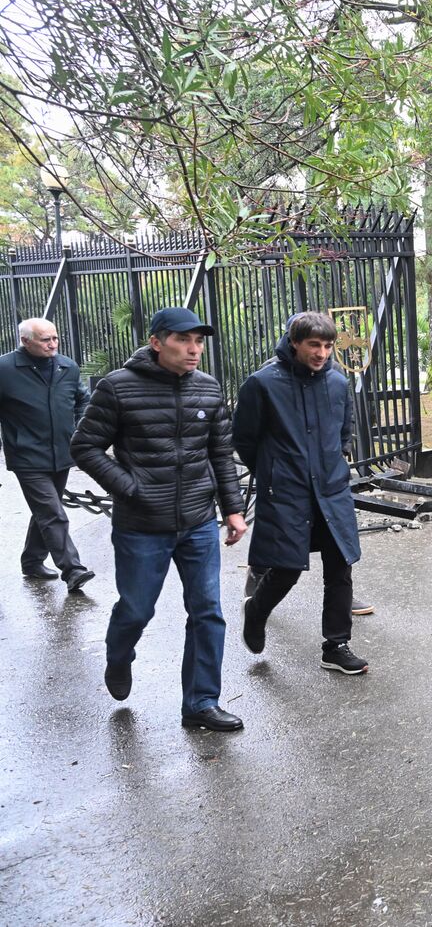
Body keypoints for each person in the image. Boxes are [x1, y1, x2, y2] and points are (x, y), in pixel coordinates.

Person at [71, 307, 248, 731]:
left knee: (208, 611)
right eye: (184, 340)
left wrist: (234, 510)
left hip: (199, 522)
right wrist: (131, 487)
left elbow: (221, 456)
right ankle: (119, 655)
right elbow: (85, 446)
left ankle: (201, 703)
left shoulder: (208, 390)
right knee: (136, 609)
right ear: (156, 342)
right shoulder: (117, 388)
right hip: (141, 526)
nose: (194, 349)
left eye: (199, 341)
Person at [233, 311, 368, 675]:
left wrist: (336, 459)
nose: (322, 353)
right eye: (314, 345)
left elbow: (345, 428)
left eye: (327, 345)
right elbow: (244, 439)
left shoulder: (337, 382)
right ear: (295, 342)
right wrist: (273, 469)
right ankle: (256, 611)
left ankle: (336, 646)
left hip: (331, 488)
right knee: (287, 568)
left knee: (340, 567)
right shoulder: (262, 384)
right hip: (287, 490)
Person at [0, 318, 95, 591]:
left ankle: (32, 561)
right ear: (25, 341)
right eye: (45, 340)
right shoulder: (5, 369)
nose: (52, 344)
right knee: (53, 512)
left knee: (45, 510)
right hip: (27, 455)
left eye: (55, 338)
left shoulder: (67, 366)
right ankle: (73, 569)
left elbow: (83, 401)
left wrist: (80, 430)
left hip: (62, 453)